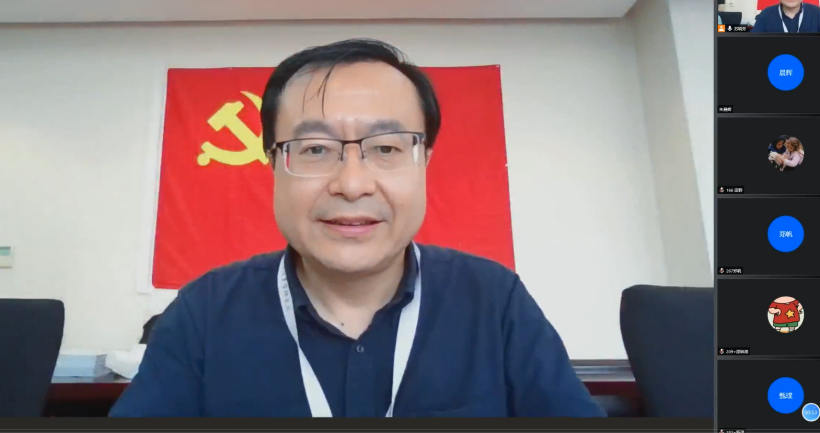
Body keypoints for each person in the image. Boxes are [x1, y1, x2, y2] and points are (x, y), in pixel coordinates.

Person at [109, 39, 606, 418]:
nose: (351, 184)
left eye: (386, 148)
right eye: (315, 150)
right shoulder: (204, 312)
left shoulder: (495, 301)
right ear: (274, 165)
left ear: (425, 162)